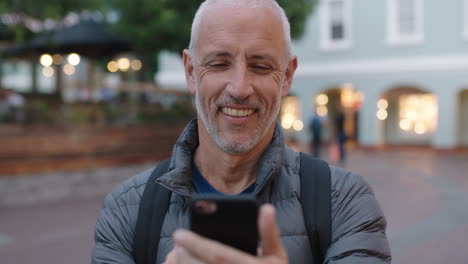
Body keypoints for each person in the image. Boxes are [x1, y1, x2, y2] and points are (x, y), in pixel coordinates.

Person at [92, 0, 391, 263]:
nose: (239, 88)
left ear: (286, 76)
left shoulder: (344, 202)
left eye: (260, 67)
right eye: (219, 64)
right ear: (191, 72)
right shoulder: (126, 211)